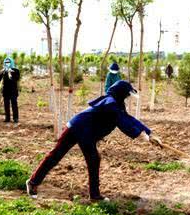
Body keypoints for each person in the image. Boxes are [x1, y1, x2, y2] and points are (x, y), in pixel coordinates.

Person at [26, 80, 161, 200]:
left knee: (90, 159)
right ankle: (33, 183)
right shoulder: (111, 103)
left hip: (84, 131)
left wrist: (150, 133)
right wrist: (142, 136)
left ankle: (94, 194)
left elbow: (129, 118)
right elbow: (123, 122)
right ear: (121, 93)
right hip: (79, 129)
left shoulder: (117, 104)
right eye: (126, 94)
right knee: (58, 155)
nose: (127, 97)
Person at [0, 57, 20, 124]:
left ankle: (15, 118)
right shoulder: (3, 71)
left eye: (9, 62)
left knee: (14, 104)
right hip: (6, 91)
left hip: (13, 90)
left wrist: (10, 73)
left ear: (11, 62)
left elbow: (17, 78)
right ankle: (7, 118)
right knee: (6, 105)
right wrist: (2, 72)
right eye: (6, 62)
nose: (7, 63)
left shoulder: (16, 70)